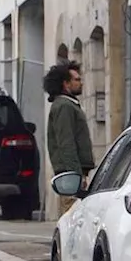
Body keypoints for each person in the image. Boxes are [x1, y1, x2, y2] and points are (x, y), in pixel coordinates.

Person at [43, 61, 95, 215]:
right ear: (66, 84)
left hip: (72, 174)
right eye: (77, 80)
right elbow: (66, 143)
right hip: (69, 176)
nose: (81, 83)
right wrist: (76, 175)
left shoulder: (69, 104)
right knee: (71, 215)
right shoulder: (64, 106)